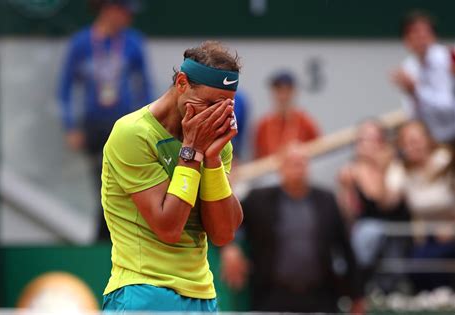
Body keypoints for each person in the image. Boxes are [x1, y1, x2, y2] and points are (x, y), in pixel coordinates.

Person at [100, 41, 243, 312]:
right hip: (143, 292)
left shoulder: (215, 141)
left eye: (225, 107)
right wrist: (192, 152)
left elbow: (223, 233)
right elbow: (168, 228)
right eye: (208, 103)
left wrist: (211, 159)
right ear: (181, 83)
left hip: (203, 297)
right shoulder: (132, 133)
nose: (214, 115)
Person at [222, 143, 364, 313]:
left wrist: (357, 296)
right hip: (271, 295)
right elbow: (231, 222)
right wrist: (230, 247)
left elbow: (345, 247)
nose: (298, 167)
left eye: (302, 162)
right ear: (280, 166)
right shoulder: (259, 199)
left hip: (320, 296)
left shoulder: (327, 200)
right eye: (292, 162)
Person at [57, 0, 152, 241]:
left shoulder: (133, 42)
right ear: (109, 10)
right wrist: (70, 127)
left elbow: (145, 86)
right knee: (104, 184)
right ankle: (105, 239)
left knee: (121, 184)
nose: (128, 18)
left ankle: (107, 238)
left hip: (125, 127)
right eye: (124, 12)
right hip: (94, 127)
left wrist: (148, 123)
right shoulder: (81, 43)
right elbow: (65, 89)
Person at [382, 121, 455, 291]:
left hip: (451, 229)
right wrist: (387, 164)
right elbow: (387, 202)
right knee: (417, 264)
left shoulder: (447, 160)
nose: (412, 147)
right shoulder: (402, 170)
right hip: (428, 236)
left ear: (428, 139)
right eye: (406, 143)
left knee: (432, 260)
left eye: (415, 141)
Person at [337, 120, 410, 291]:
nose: (364, 144)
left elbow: (386, 204)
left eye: (370, 139)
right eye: (360, 139)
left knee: (369, 230)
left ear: (382, 142)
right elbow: (348, 215)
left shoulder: (396, 168)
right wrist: (345, 188)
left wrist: (382, 171)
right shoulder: (350, 171)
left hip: (395, 233)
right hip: (364, 236)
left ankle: (348, 276)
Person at [392, 10, 455, 183]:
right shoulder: (409, 66)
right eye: (414, 34)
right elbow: (412, 114)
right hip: (433, 144)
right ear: (407, 41)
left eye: (425, 33)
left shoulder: (450, 58)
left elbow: (449, 107)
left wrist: (416, 90)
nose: (421, 38)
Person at [254, 71, 320, 158]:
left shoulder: (305, 123)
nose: (283, 96)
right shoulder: (263, 125)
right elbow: (257, 158)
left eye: (287, 91)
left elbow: (318, 154)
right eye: (279, 91)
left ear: (294, 92)